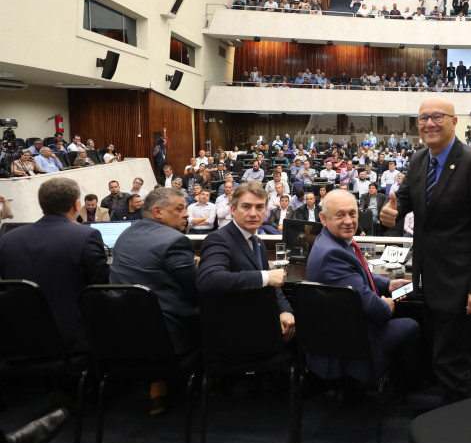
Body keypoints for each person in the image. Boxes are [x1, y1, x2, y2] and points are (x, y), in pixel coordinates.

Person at [380, 97, 471, 405]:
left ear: (454, 122)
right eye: (423, 118)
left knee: (453, 364)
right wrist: (389, 213)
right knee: (440, 358)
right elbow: (404, 200)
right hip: (429, 280)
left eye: (437, 117)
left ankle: (457, 435)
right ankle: (445, 421)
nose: (429, 124)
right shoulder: (420, 158)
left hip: (461, 285)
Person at [306, 190, 419, 382]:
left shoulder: (330, 241)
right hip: (353, 341)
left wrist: (389, 284)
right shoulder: (333, 254)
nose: (349, 221)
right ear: (323, 218)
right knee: (412, 324)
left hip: (341, 330)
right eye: (340, 215)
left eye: (352, 213)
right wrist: (387, 306)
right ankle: (409, 384)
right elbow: (372, 307)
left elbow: (356, 275)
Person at [110, 188, 199, 414]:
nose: (186, 214)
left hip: (125, 336)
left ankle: (157, 386)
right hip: (171, 339)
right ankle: (216, 383)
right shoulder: (175, 241)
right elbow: (198, 289)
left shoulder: (124, 236)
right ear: (158, 212)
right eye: (179, 209)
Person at [0, 177, 109, 353]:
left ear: (42, 205)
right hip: (70, 341)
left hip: (15, 341)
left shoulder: (8, 239)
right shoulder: (86, 236)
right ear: (76, 206)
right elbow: (101, 286)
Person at [197, 182, 295, 341]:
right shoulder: (218, 239)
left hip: (262, 324)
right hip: (235, 334)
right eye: (246, 206)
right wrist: (265, 277)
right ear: (233, 210)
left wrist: (284, 311)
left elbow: (271, 284)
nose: (253, 213)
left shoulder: (258, 243)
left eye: (259, 207)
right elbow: (209, 280)